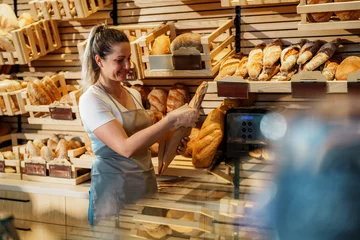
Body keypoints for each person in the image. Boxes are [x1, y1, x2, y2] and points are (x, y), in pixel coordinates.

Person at [78, 24, 199, 226]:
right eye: (119, 60)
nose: (127, 66)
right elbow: (126, 148)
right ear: (99, 61)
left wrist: (171, 144)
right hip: (114, 192)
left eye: (128, 58)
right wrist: (171, 120)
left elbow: (143, 143)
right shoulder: (92, 100)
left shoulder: (133, 93)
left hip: (145, 185)